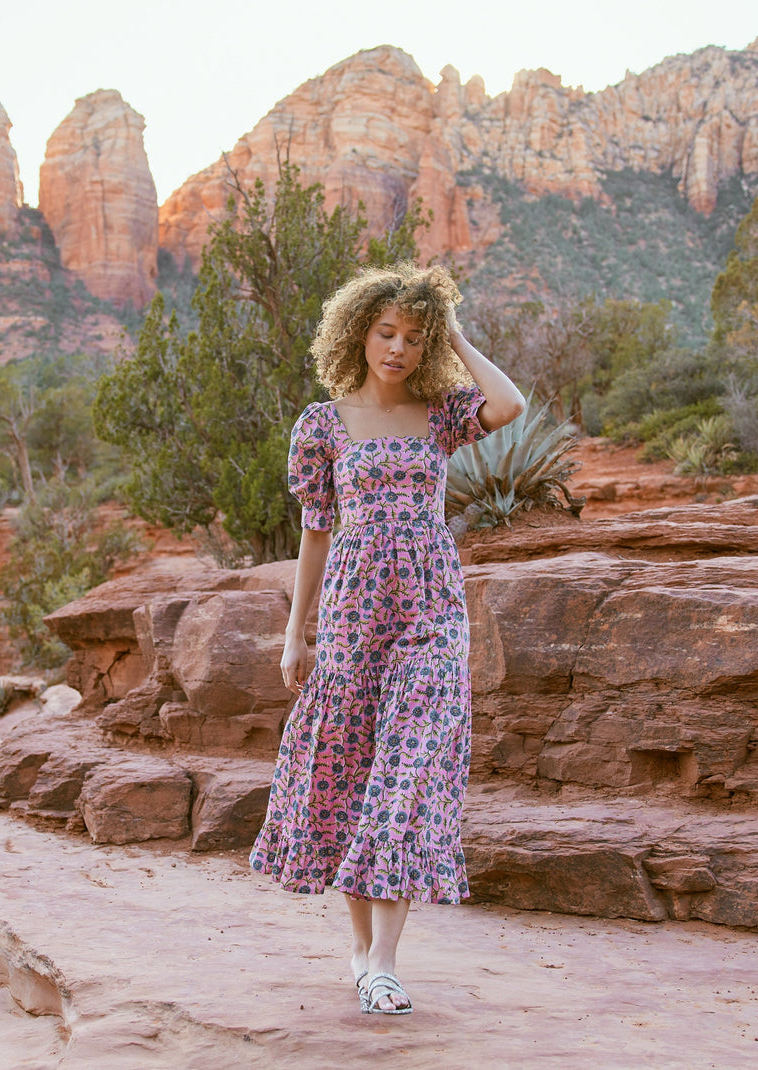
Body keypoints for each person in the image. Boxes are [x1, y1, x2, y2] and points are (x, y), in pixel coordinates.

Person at [250, 263, 525, 1015]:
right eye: (386, 332)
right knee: (349, 773)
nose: (398, 349)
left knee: (406, 773)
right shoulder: (324, 425)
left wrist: (455, 330)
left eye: (414, 336)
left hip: (431, 610)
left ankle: (383, 963)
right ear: (359, 334)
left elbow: (510, 402)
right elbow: (313, 533)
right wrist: (294, 635)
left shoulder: (441, 416)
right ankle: (363, 951)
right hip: (352, 612)